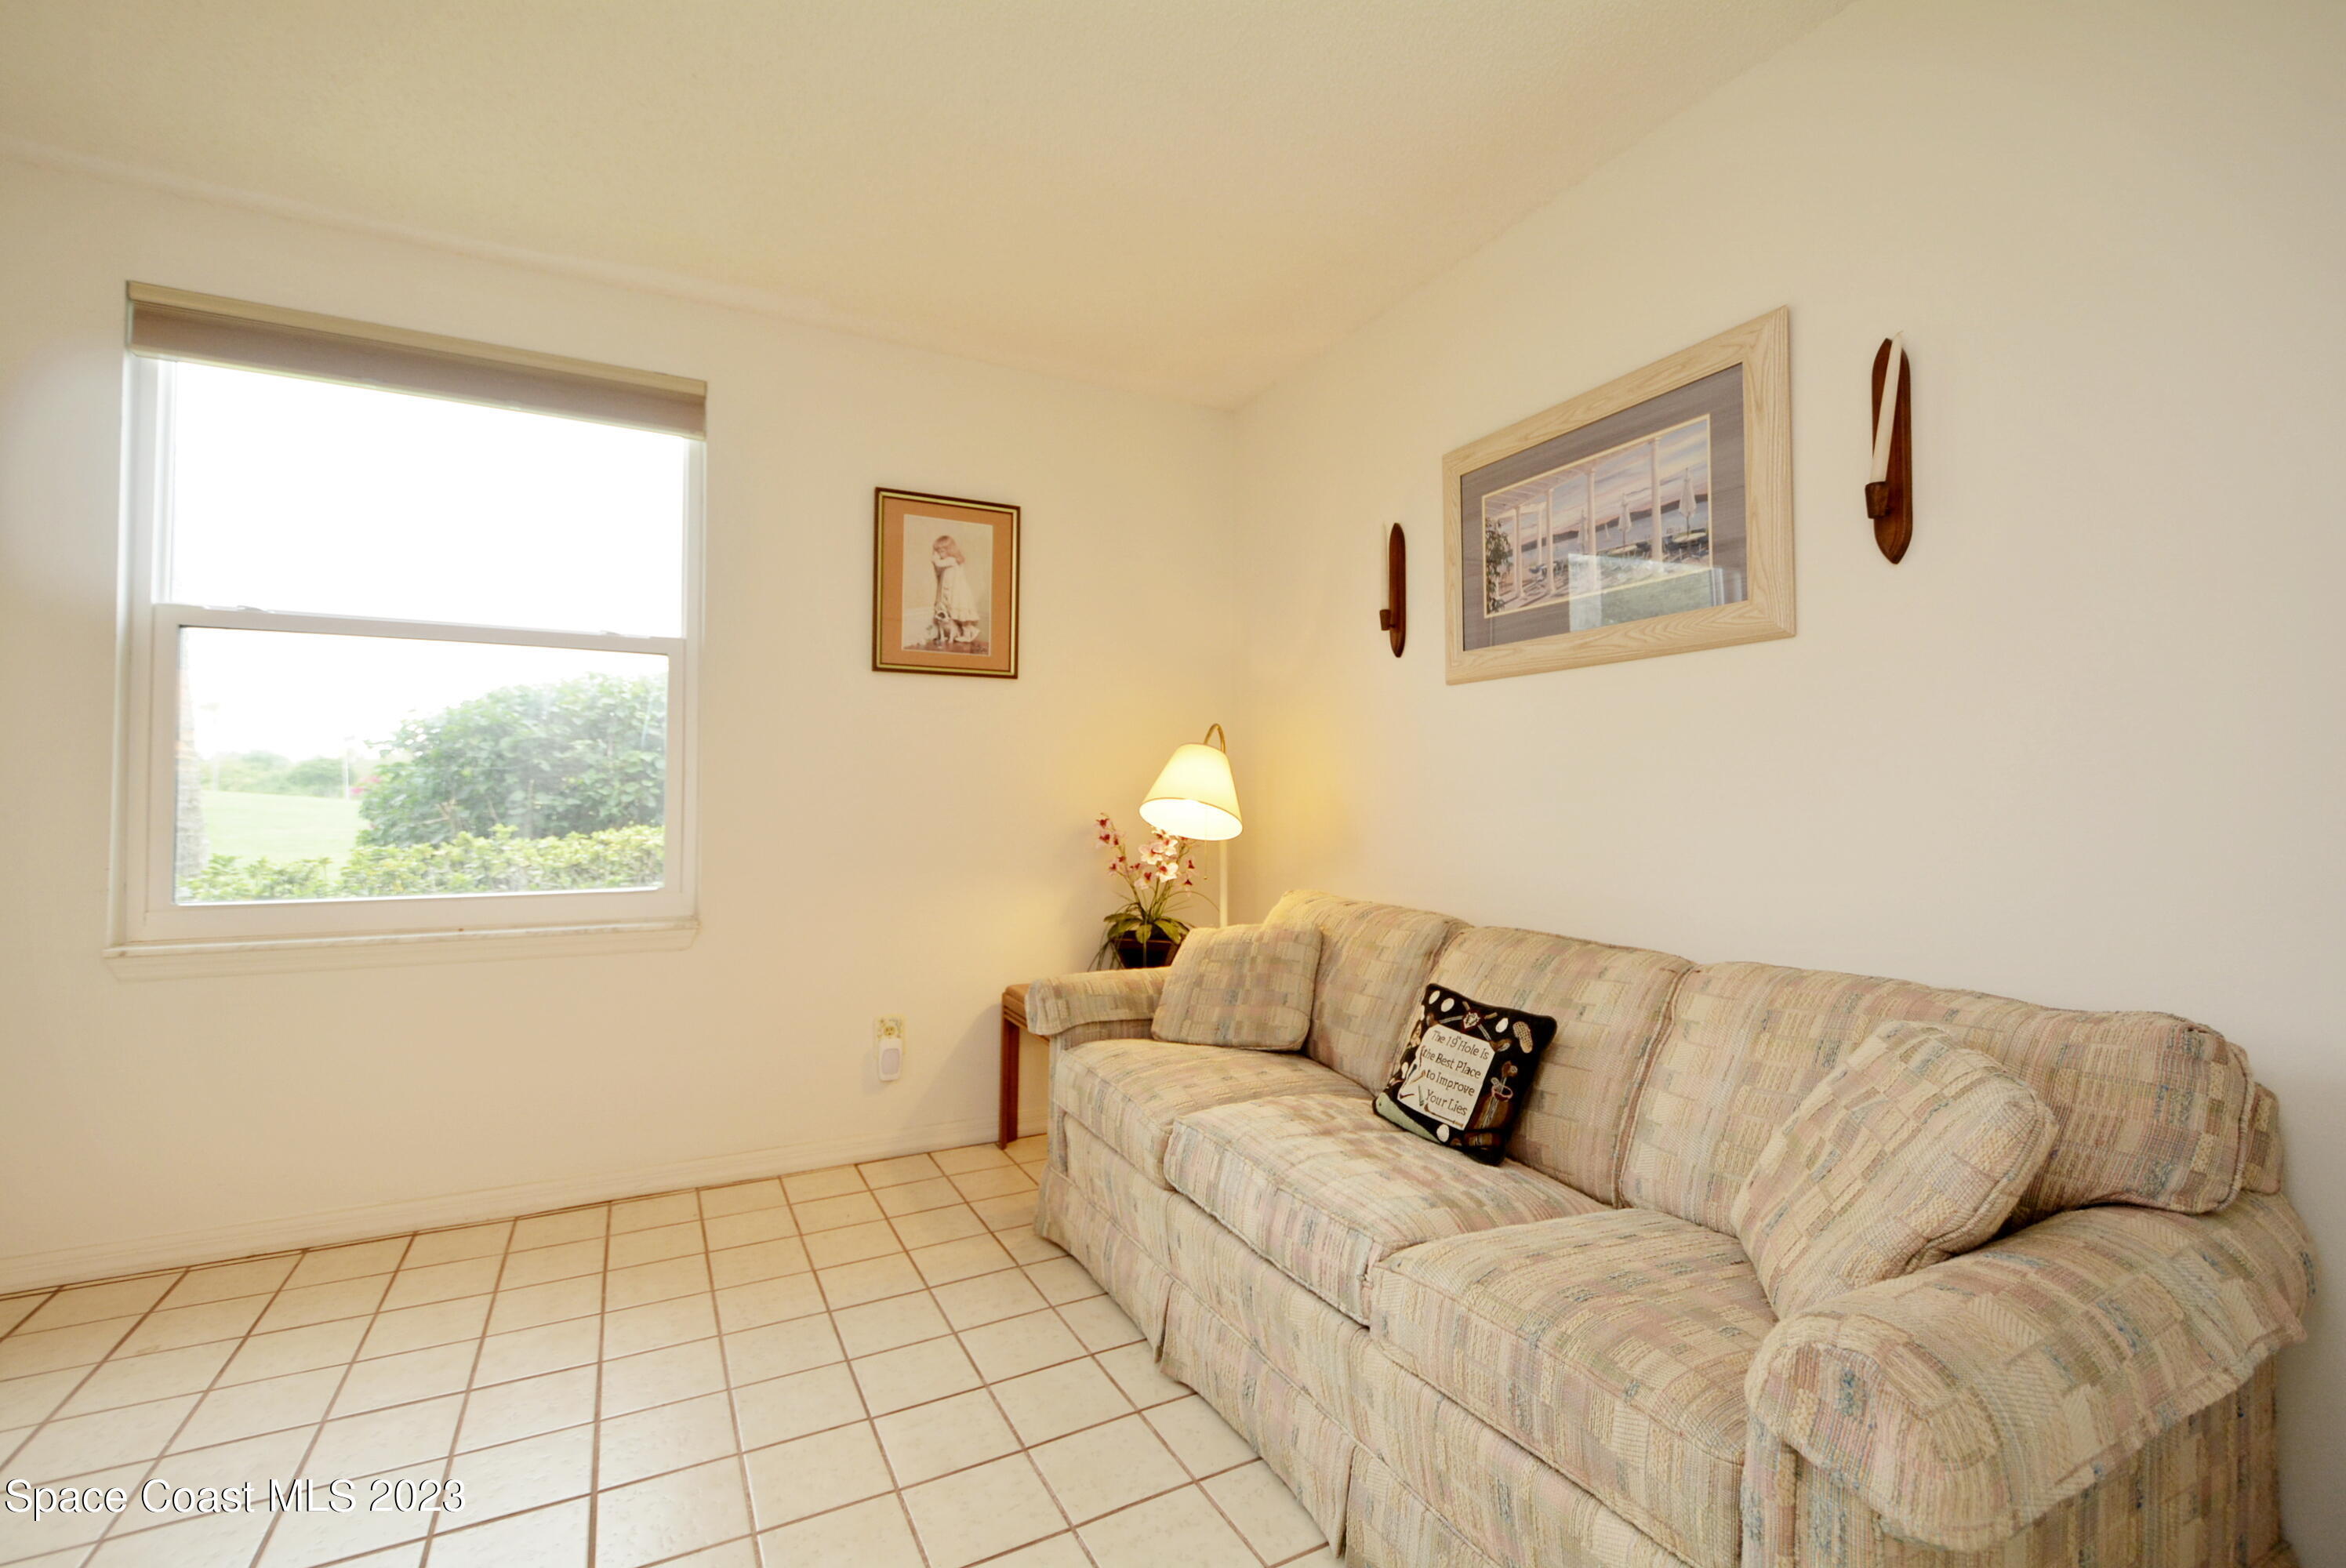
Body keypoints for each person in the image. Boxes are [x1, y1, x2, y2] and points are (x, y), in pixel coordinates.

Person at [928, 534, 983, 650]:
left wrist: (935, 557)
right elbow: (940, 571)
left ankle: (969, 632)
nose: (940, 554)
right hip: (952, 590)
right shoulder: (949, 561)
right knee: (955, 613)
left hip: (958, 592)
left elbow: (938, 564)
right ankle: (965, 633)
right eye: (938, 551)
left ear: (950, 550)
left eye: (941, 551)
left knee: (962, 614)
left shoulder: (952, 560)